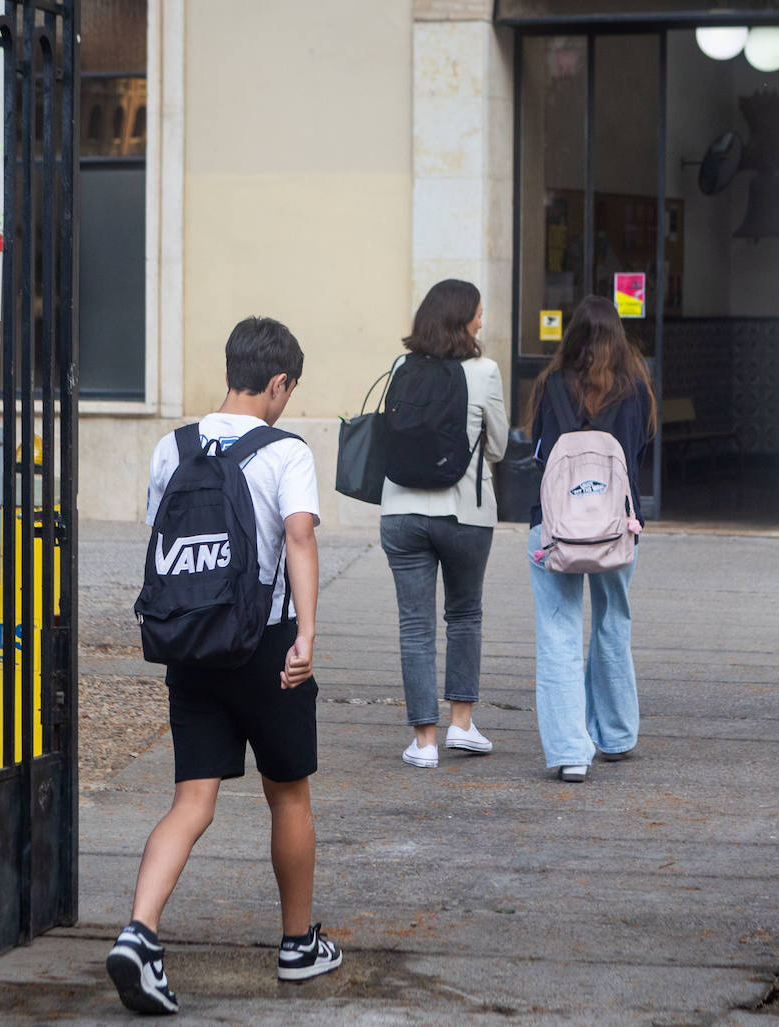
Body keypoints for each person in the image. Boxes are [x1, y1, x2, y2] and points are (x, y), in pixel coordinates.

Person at [107, 317, 342, 1015]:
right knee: (288, 793)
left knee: (192, 799)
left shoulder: (170, 447)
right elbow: (299, 539)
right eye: (287, 391)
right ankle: (298, 945)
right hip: (266, 651)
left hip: (192, 645)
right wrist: (306, 634)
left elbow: (161, 540)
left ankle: (139, 932)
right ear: (277, 382)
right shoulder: (285, 452)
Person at [525, 294, 656, 783]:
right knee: (612, 622)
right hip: (617, 529)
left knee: (558, 634)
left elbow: (538, 453)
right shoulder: (636, 389)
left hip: (554, 530)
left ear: (572, 337)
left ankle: (569, 752)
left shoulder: (550, 385)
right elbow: (640, 450)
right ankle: (617, 735)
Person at [380, 279, 509, 768]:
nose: (482, 320)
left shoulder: (400, 367)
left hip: (401, 511)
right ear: (462, 319)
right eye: (478, 312)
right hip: (465, 513)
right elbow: (496, 447)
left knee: (415, 627)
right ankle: (462, 725)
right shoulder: (486, 371)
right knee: (464, 615)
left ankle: (424, 742)